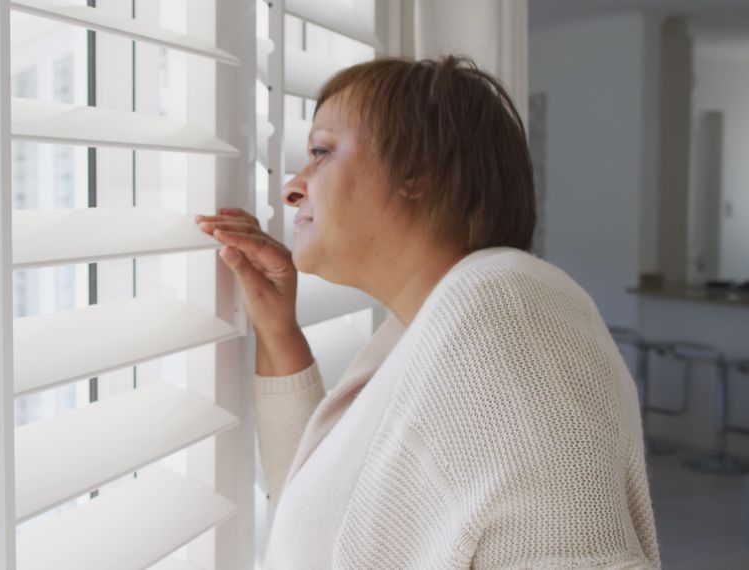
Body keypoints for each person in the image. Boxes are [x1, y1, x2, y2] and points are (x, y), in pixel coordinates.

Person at [195, 56, 660, 569]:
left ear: (415, 170)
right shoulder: (434, 332)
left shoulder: (509, 309)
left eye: (322, 152)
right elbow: (326, 520)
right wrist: (278, 330)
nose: (292, 188)